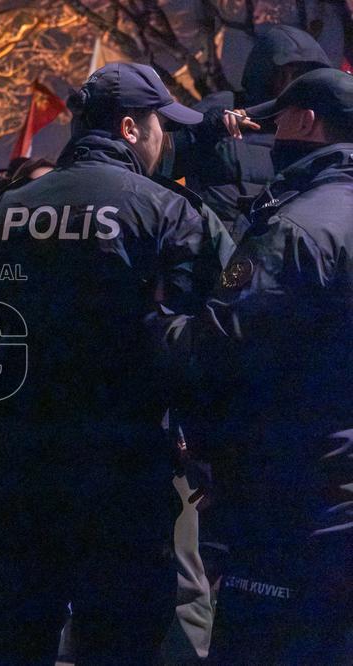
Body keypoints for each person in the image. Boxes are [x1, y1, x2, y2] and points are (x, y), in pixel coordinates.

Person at [0, 62, 210, 664]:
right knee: (119, 643)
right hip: (123, 478)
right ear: (131, 128)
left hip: (19, 477)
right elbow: (200, 344)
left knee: (16, 642)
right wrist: (211, 445)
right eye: (160, 124)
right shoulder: (166, 212)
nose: (165, 138)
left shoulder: (2, 215)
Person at [166, 68, 353, 664]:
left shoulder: (297, 227)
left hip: (298, 500)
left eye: (277, 121)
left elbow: (220, 344)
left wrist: (153, 325)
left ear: (306, 121)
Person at [167, 25, 331, 240]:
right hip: (213, 243)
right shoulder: (224, 106)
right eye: (290, 74)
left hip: (274, 247)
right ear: (267, 72)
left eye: (306, 75)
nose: (298, 84)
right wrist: (211, 126)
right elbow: (167, 160)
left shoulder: (312, 126)